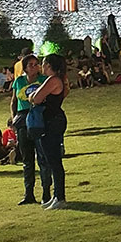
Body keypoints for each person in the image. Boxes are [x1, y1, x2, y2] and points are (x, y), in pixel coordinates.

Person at [11, 54, 51, 206]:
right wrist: (13, 119)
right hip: (23, 119)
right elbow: (14, 101)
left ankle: (46, 193)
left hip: (39, 118)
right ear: (25, 68)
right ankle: (29, 194)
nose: (34, 67)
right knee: (27, 159)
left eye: (36, 64)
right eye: (31, 65)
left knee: (43, 157)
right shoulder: (19, 81)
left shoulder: (43, 81)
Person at [30, 54, 69, 210]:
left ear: (50, 66)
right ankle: (56, 196)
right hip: (53, 119)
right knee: (51, 159)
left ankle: (60, 197)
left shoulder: (53, 80)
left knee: (53, 160)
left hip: (51, 121)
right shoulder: (59, 80)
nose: (42, 67)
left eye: (44, 64)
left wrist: (33, 95)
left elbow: (36, 98)